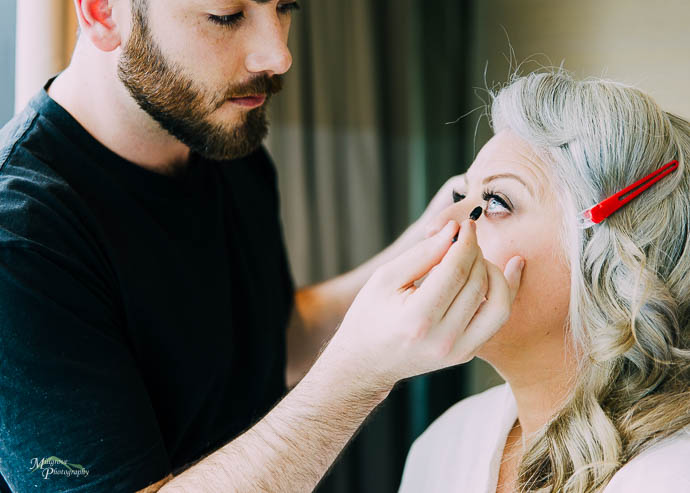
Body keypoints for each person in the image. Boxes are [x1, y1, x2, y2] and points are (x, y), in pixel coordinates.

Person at [0, 1, 525, 492]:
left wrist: (422, 243)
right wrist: (360, 375)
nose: (279, 55)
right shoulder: (20, 242)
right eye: (227, 14)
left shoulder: (224, 140)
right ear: (102, 11)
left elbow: (277, 336)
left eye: (285, 6)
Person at [398, 71, 690, 493]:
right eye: (462, 197)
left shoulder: (670, 476)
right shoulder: (444, 445)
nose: (439, 225)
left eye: (496, 202)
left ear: (611, 261)